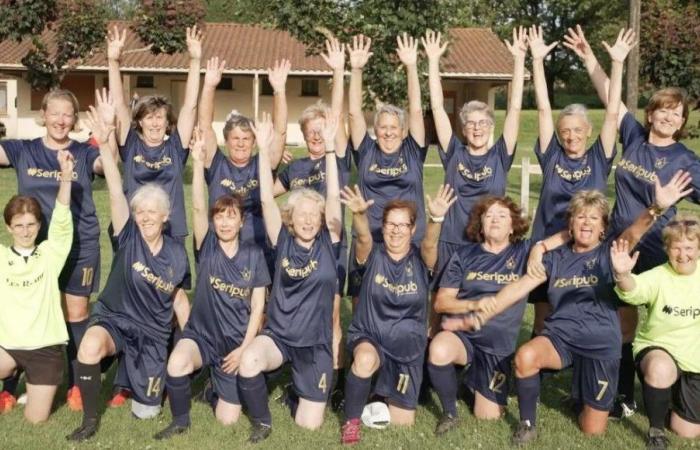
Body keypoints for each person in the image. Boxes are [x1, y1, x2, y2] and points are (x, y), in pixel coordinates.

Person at [443, 171, 692, 445]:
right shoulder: (555, 257)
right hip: (559, 338)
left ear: (603, 227)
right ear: (570, 226)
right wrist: (478, 315)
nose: (586, 223)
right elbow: (518, 288)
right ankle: (527, 424)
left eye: (593, 218)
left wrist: (658, 207)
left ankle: (579, 400)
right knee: (525, 356)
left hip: (599, 345)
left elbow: (634, 232)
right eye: (580, 217)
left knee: (591, 430)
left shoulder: (610, 251)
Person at [565, 24, 700, 419]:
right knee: (617, 322)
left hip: (661, 250)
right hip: (621, 244)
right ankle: (621, 394)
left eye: (678, 113)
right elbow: (610, 96)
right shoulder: (635, 138)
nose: (669, 117)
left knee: (659, 324)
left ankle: (673, 390)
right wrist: (594, 57)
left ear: (683, 121)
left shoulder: (687, 161)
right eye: (663, 110)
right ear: (651, 113)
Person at [66, 104, 190, 442]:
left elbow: (179, 301)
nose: (146, 217)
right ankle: (90, 421)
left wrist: (192, 342)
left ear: (166, 216)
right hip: (116, 320)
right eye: (141, 212)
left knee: (147, 413)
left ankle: (149, 380)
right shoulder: (128, 234)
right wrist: (105, 143)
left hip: (150, 334)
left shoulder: (177, 255)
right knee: (89, 346)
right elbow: (118, 188)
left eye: (154, 212)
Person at [0, 88, 115, 410]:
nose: (60, 120)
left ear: (74, 120)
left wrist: (106, 138)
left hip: (80, 244)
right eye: (55, 113)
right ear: (44, 115)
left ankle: (77, 385)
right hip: (34, 247)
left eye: (67, 114)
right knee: (22, 311)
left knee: (75, 313)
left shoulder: (83, 152)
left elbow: (108, 168)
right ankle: (8, 388)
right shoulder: (23, 151)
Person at [154, 128, 270, 439]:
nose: (224, 222)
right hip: (202, 337)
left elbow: (258, 306)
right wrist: (197, 161)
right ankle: (180, 420)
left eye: (231, 216)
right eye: (219, 216)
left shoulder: (254, 254)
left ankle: (213, 388)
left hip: (234, 344)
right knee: (177, 362)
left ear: (241, 221)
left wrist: (244, 348)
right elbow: (197, 207)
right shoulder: (207, 248)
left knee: (228, 420)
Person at [236, 112, 342, 443]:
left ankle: (298, 389)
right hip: (280, 337)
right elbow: (267, 198)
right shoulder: (282, 240)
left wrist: (330, 152)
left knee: (308, 426)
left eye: (314, 215)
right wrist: (264, 151)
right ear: (291, 219)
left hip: (314, 344)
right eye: (301, 215)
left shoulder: (328, 242)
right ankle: (262, 422)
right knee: (250, 360)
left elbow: (335, 201)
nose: (309, 220)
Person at [428, 196, 567, 435]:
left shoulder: (523, 251)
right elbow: (441, 303)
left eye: (502, 216)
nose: (495, 219)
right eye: (489, 215)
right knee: (439, 348)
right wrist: (475, 304)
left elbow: (569, 233)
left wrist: (539, 247)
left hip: (498, 347)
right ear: (480, 224)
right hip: (464, 335)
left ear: (513, 225)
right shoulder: (464, 255)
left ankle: (472, 382)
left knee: (489, 417)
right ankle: (449, 412)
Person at [338, 184, 456, 445]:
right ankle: (351, 422)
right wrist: (358, 216)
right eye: (391, 224)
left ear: (413, 229)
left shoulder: (421, 259)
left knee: (403, 422)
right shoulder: (372, 254)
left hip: (407, 348)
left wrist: (435, 219)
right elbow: (364, 239)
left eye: (403, 225)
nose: (396, 230)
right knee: (365, 359)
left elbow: (430, 244)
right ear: (383, 225)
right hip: (371, 336)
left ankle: (376, 394)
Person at [527, 25, 623, 336]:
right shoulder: (552, 154)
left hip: (586, 246)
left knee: (586, 313)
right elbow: (543, 108)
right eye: (565, 130)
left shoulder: (598, 157)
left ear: (588, 132)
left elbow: (612, 113)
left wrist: (617, 64)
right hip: (548, 244)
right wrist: (537, 60)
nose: (571, 136)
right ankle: (534, 376)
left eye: (578, 130)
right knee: (543, 319)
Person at [272, 38, 351, 404]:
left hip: (329, 245)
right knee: (297, 314)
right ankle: (297, 376)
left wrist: (338, 71)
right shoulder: (297, 167)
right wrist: (271, 158)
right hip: (296, 247)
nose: (317, 137)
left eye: (322, 131)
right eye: (310, 133)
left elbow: (337, 123)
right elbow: (266, 191)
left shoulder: (338, 158)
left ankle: (332, 383)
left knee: (332, 315)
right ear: (303, 136)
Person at [422, 27, 525, 290]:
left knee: (481, 306)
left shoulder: (500, 156)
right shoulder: (454, 152)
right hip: (452, 240)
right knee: (441, 303)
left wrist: (519, 60)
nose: (477, 128)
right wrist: (433, 62)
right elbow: (436, 107)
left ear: (491, 127)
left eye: (482, 123)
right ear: (464, 129)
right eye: (471, 124)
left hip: (488, 244)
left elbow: (514, 108)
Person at [346, 34, 427, 299]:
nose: (388, 133)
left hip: (409, 239)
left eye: (394, 128)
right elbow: (354, 113)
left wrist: (411, 67)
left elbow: (416, 111)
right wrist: (356, 70)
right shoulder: (367, 150)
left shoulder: (413, 152)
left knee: (410, 299)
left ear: (403, 132)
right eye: (383, 127)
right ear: (375, 130)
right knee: (364, 301)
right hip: (370, 238)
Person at [107, 25, 201, 243]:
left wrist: (195, 61)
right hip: (134, 231)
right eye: (149, 117)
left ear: (168, 122)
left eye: (160, 117)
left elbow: (190, 107)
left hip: (171, 232)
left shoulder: (176, 149)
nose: (155, 123)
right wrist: (113, 62)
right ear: (139, 121)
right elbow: (119, 105)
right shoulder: (130, 146)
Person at [612, 215, 700, 449]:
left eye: (689, 248)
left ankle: (669, 399)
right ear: (666, 249)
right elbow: (633, 290)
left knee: (687, 431)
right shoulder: (659, 276)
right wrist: (622, 275)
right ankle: (656, 431)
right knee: (660, 369)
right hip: (659, 349)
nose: (683, 255)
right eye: (676, 248)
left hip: (694, 359)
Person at [0, 149, 74, 423]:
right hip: (6, 347)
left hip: (44, 350)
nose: (25, 231)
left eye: (31, 224)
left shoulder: (49, 254)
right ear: (9, 227)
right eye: (18, 225)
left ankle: (35, 390)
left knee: (36, 421)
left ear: (39, 224)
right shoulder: (1, 258)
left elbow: (63, 221)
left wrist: (65, 177)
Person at [198, 56, 288, 254]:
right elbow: (204, 125)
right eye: (235, 138)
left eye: (246, 138)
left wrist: (279, 91)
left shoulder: (262, 164)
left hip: (257, 248)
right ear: (226, 140)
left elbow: (280, 132)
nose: (240, 143)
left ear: (254, 141)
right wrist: (209, 86)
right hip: (218, 247)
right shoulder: (216, 164)